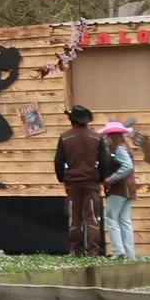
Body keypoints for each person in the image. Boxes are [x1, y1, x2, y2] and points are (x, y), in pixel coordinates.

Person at [54, 104, 107, 258]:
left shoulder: (65, 137)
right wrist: (101, 178)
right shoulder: (97, 137)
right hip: (92, 182)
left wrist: (62, 177)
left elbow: (58, 161)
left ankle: (75, 250)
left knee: (75, 217)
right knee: (92, 217)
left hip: (72, 182)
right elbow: (104, 160)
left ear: (72, 120)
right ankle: (93, 250)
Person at [98, 120, 138, 259]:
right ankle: (130, 254)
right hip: (129, 189)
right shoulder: (125, 148)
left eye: (107, 136)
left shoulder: (119, 149)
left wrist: (111, 178)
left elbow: (127, 166)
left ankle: (118, 251)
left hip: (119, 189)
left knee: (111, 218)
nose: (106, 139)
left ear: (112, 136)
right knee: (124, 220)